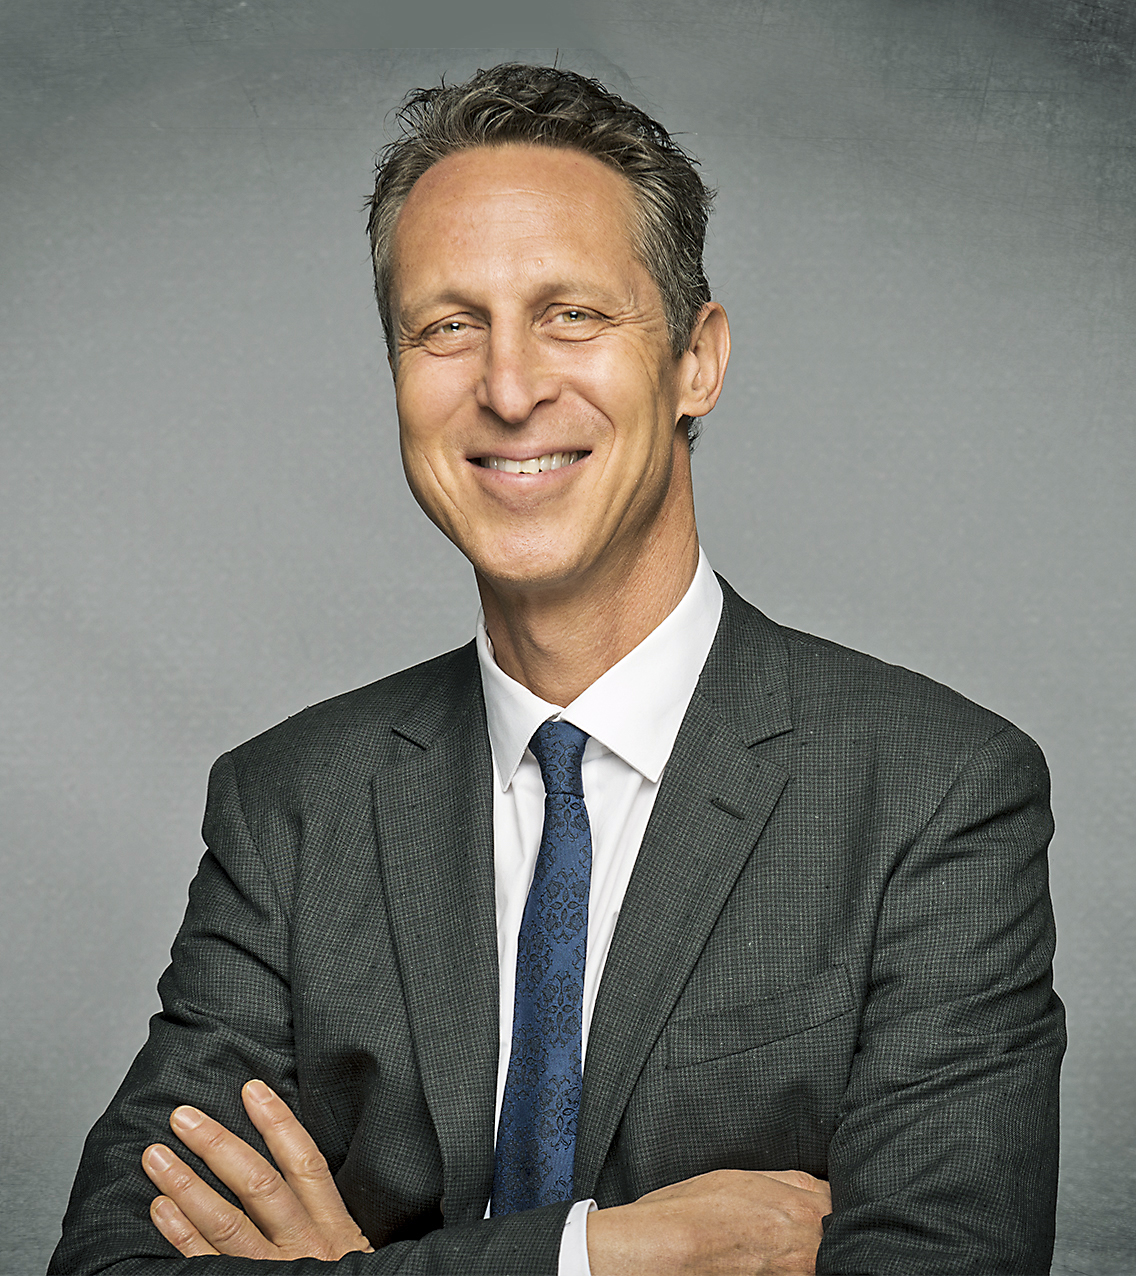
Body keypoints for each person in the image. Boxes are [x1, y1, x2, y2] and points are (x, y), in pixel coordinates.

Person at [49, 63, 1065, 1276]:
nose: (509, 387)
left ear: (695, 360)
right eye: (447, 326)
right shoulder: (290, 805)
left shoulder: (936, 791)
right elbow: (111, 1263)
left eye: (571, 314)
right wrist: (601, 1253)